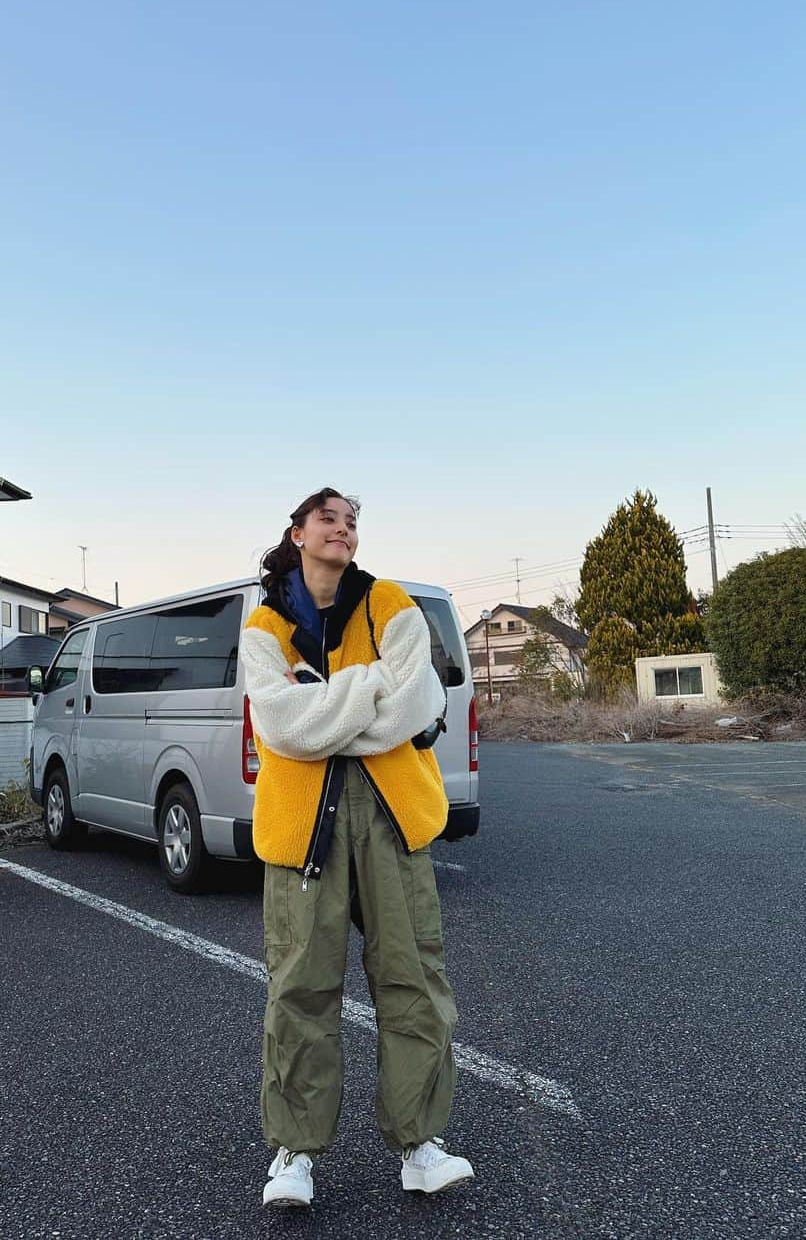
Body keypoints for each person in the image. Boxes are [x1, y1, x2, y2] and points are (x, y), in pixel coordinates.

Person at [240, 487, 475, 1209]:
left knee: (412, 980)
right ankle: (295, 1153)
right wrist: (370, 688)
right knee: (300, 989)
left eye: (351, 523)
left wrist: (329, 699)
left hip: (392, 817)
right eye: (329, 520)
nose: (343, 530)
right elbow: (280, 726)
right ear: (298, 534)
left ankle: (420, 1145)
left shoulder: (390, 602)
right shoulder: (264, 624)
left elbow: (416, 706)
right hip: (299, 827)